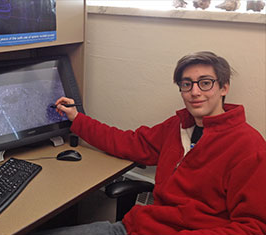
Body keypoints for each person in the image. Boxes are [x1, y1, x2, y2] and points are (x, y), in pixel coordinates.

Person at [35, 51, 266, 235]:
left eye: (205, 83)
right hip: (135, 228)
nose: (195, 92)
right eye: (187, 84)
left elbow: (254, 227)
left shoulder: (249, 146)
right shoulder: (177, 126)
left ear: (224, 87)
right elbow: (128, 142)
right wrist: (77, 119)